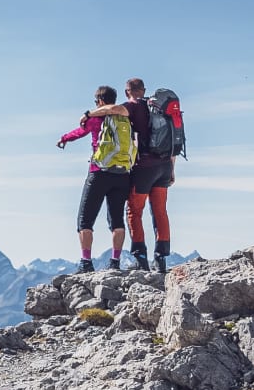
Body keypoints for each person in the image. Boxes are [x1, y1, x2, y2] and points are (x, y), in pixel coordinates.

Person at [91, 78, 174, 272]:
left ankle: (141, 257)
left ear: (127, 91)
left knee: (134, 211)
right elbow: (172, 140)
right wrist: (172, 169)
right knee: (160, 211)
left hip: (144, 167)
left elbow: (111, 109)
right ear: (143, 90)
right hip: (164, 165)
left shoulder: (131, 106)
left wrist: (89, 114)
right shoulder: (159, 107)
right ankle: (161, 258)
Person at [55, 85, 136, 273]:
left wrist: (64, 138)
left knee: (85, 220)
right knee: (117, 220)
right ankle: (115, 261)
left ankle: (86, 262)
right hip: (122, 174)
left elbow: (79, 132)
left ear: (99, 102)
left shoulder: (95, 119)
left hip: (98, 173)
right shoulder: (125, 117)